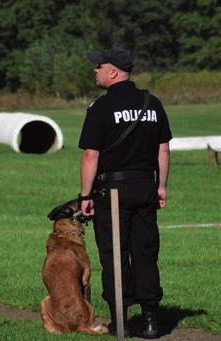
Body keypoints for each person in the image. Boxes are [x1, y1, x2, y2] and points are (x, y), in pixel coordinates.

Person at [77, 46, 172, 339]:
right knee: (145, 252)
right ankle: (151, 320)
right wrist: (161, 186)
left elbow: (91, 156)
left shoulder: (101, 108)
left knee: (114, 255)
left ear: (113, 72)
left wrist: (84, 196)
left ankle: (120, 321)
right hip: (145, 187)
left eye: (99, 66)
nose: (95, 71)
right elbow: (163, 149)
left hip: (112, 192)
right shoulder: (152, 103)